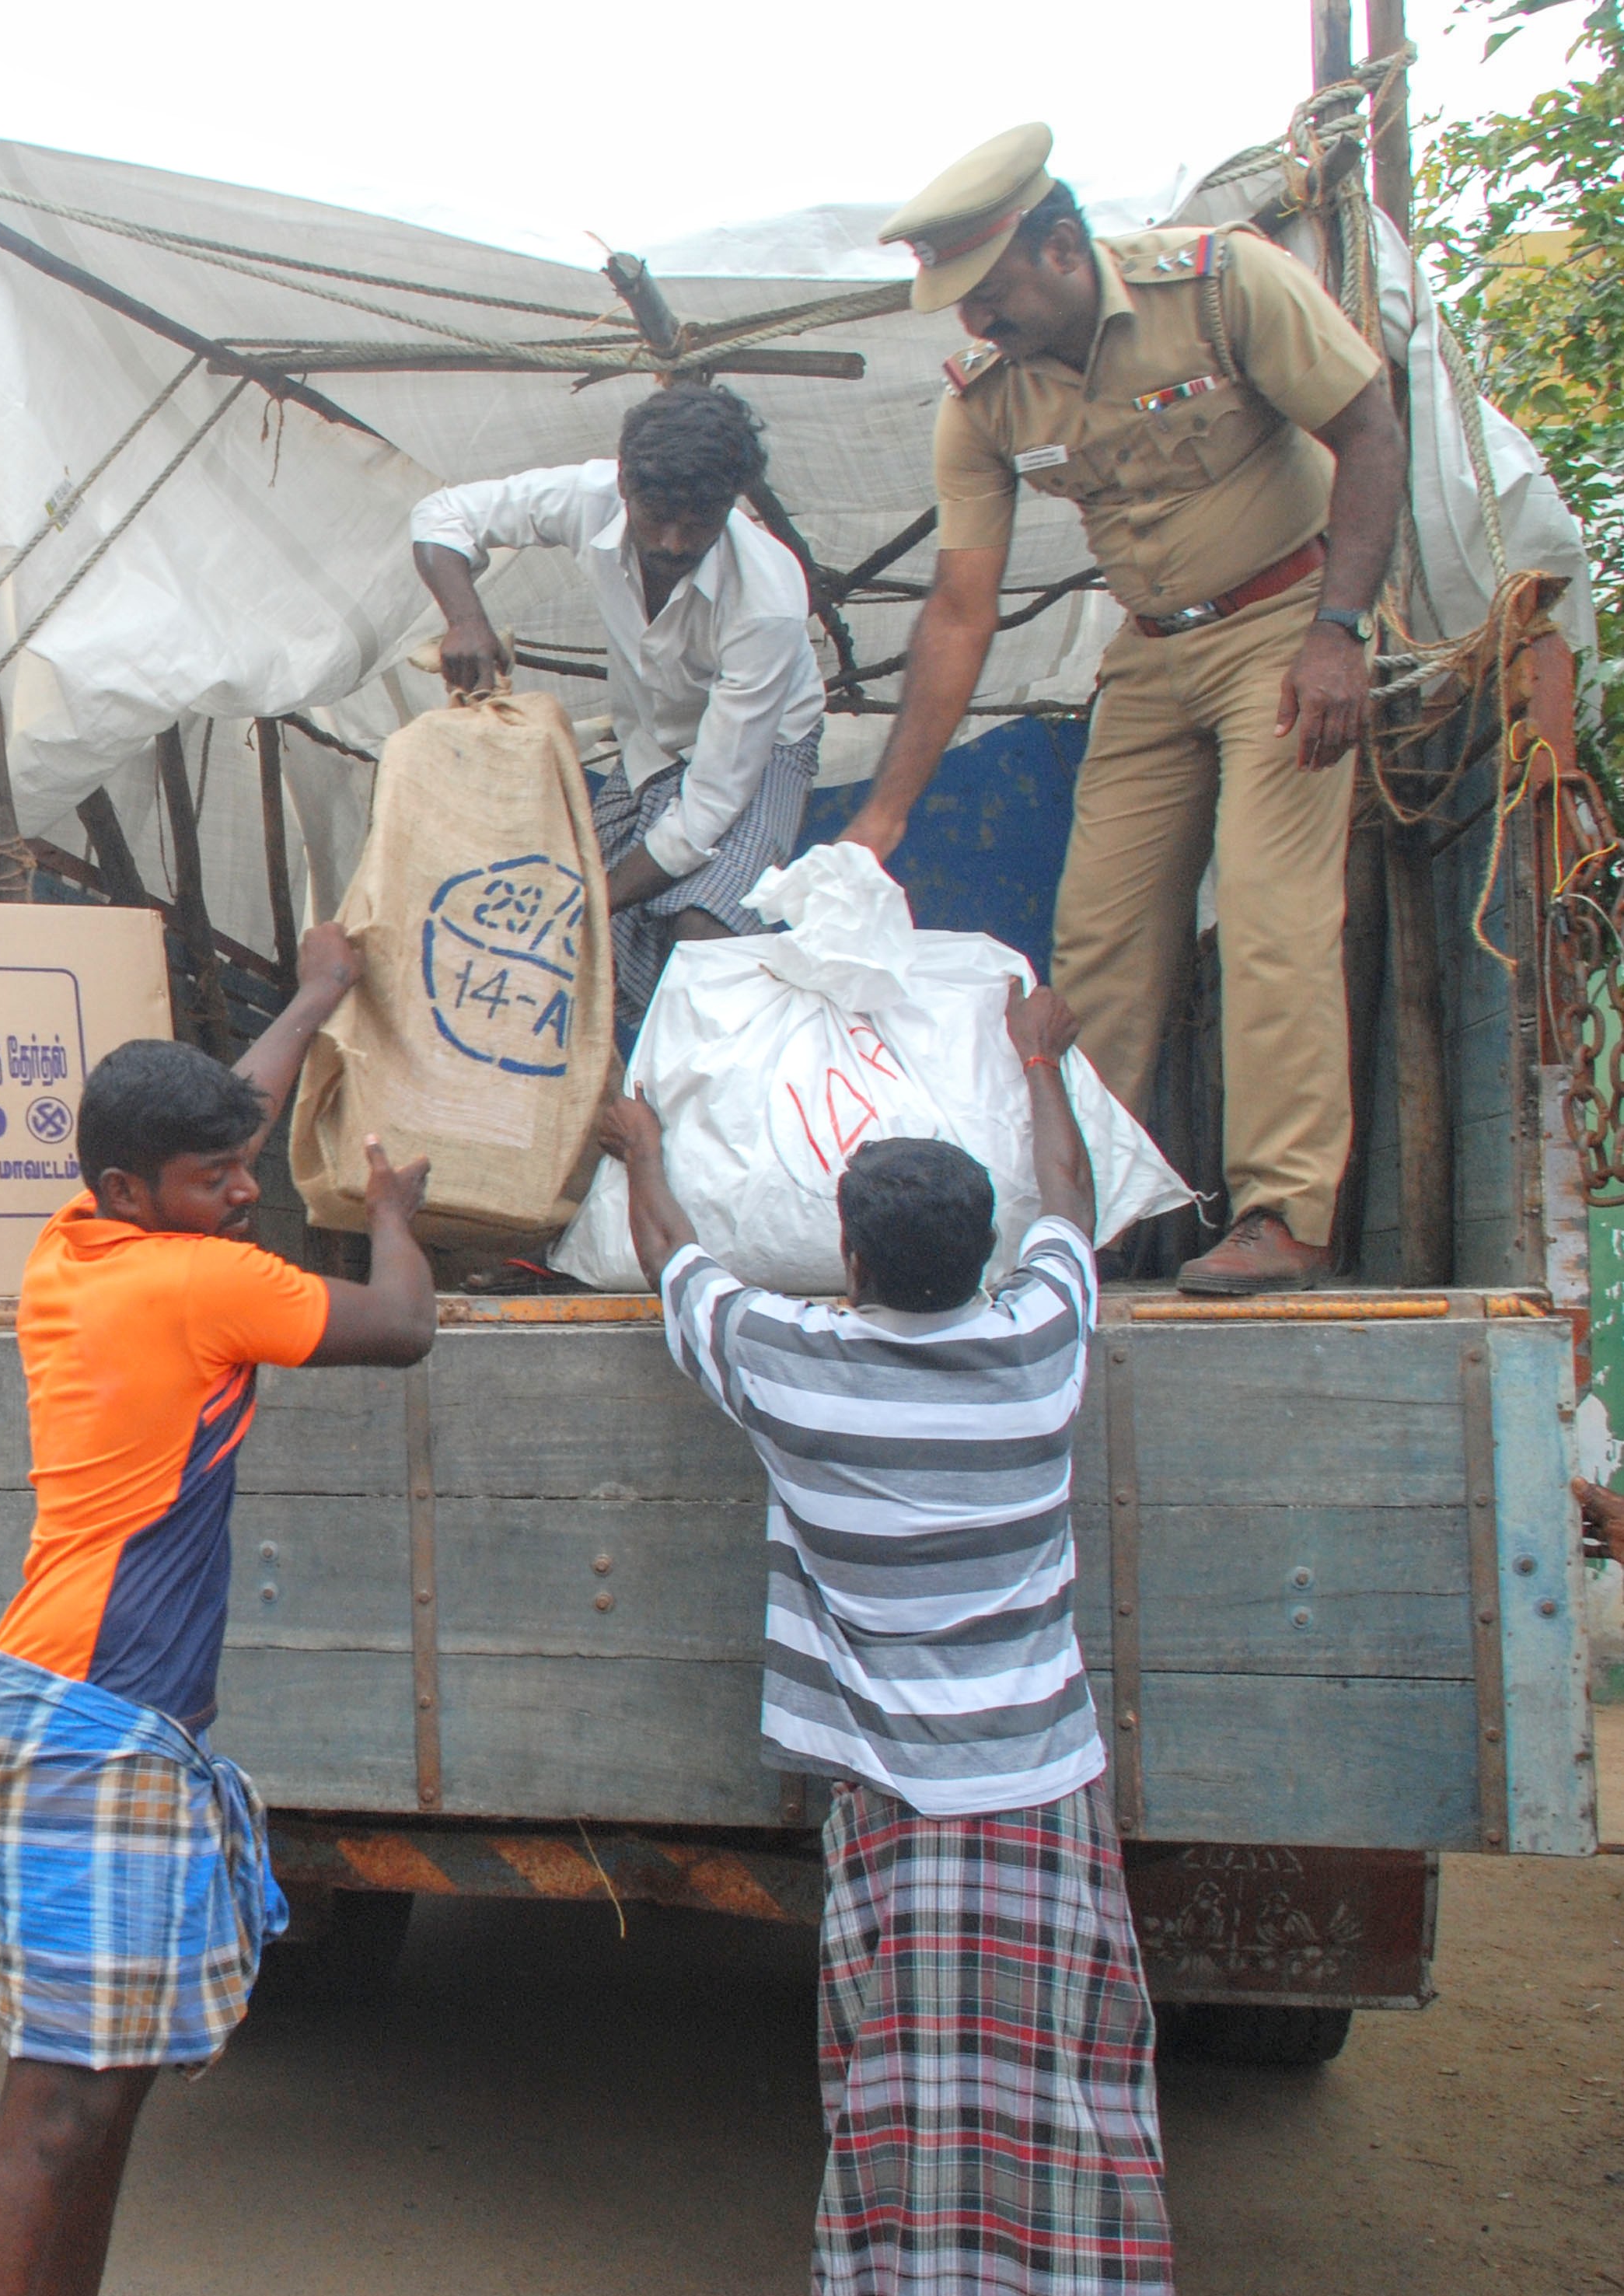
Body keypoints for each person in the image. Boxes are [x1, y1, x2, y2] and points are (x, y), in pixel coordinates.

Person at [595, 980, 1174, 2293]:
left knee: (902, 2086)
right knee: (1067, 2078)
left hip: (901, 1810)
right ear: (990, 1253)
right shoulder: (1042, 1346)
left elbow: (674, 1258)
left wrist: (640, 1142)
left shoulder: (795, 1365)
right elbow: (1073, 1206)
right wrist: (1038, 1059)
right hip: (1047, 1801)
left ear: (847, 1258)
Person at [0, 921, 440, 2296]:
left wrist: (321, 988)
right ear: (128, 1184)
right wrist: (394, 1214)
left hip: (104, 1715)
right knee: (57, 2108)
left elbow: (238, 1110)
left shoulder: (80, 1241)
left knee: (113, 2094)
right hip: (90, 1722)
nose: (239, 1190)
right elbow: (403, 1326)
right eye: (211, 1178)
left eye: (239, 1167)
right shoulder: (198, 1280)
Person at [837, 123, 1405, 1297]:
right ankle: (1072, 1216)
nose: (977, 328)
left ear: (1058, 247)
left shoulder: (1220, 286)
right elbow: (958, 609)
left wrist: (1340, 632)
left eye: (989, 298)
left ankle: (1285, 1216)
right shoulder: (985, 403)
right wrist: (884, 815)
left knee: (1268, 914)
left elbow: (1368, 430)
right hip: (1148, 656)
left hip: (1285, 627)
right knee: (1094, 948)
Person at [414, 383, 827, 1030]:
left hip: (764, 749)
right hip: (650, 746)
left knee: (704, 930)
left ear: (732, 505)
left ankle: (701, 1108)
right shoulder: (590, 495)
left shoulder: (766, 600)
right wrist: (465, 619)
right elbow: (443, 514)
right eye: (656, 512)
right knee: (580, 947)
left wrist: (592, 901)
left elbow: (710, 808)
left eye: (699, 521)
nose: (672, 541)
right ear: (626, 483)